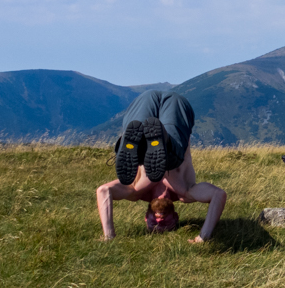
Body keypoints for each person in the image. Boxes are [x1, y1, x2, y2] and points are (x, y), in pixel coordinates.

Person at [95, 90, 226, 244]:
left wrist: (108, 236)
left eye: (154, 225)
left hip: (146, 98)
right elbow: (219, 195)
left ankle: (135, 144)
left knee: (136, 127)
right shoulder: (185, 193)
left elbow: (104, 191)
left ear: (146, 218)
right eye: (166, 225)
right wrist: (203, 237)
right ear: (176, 217)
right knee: (172, 152)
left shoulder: (135, 191)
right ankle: (163, 140)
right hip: (176, 106)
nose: (159, 222)